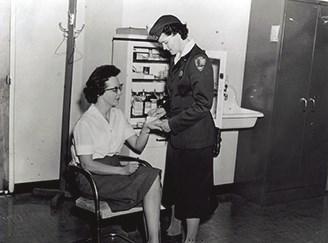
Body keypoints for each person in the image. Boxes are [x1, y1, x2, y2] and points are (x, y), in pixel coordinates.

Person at [73, 65, 162, 243]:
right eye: (115, 89)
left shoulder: (118, 116)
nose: (120, 93)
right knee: (150, 178)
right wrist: (122, 171)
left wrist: (146, 127)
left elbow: (137, 146)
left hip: (113, 169)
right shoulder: (85, 123)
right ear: (99, 92)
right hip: (92, 177)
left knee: (152, 175)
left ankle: (154, 240)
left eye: (119, 87)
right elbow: (87, 165)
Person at [148, 15, 216, 243]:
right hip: (179, 138)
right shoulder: (178, 58)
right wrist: (162, 108)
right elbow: (177, 94)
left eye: (166, 42)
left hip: (196, 140)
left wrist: (170, 124)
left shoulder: (199, 61)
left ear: (176, 33)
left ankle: (191, 239)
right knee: (176, 185)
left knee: (193, 192)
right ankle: (175, 228)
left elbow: (203, 104)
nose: (164, 48)